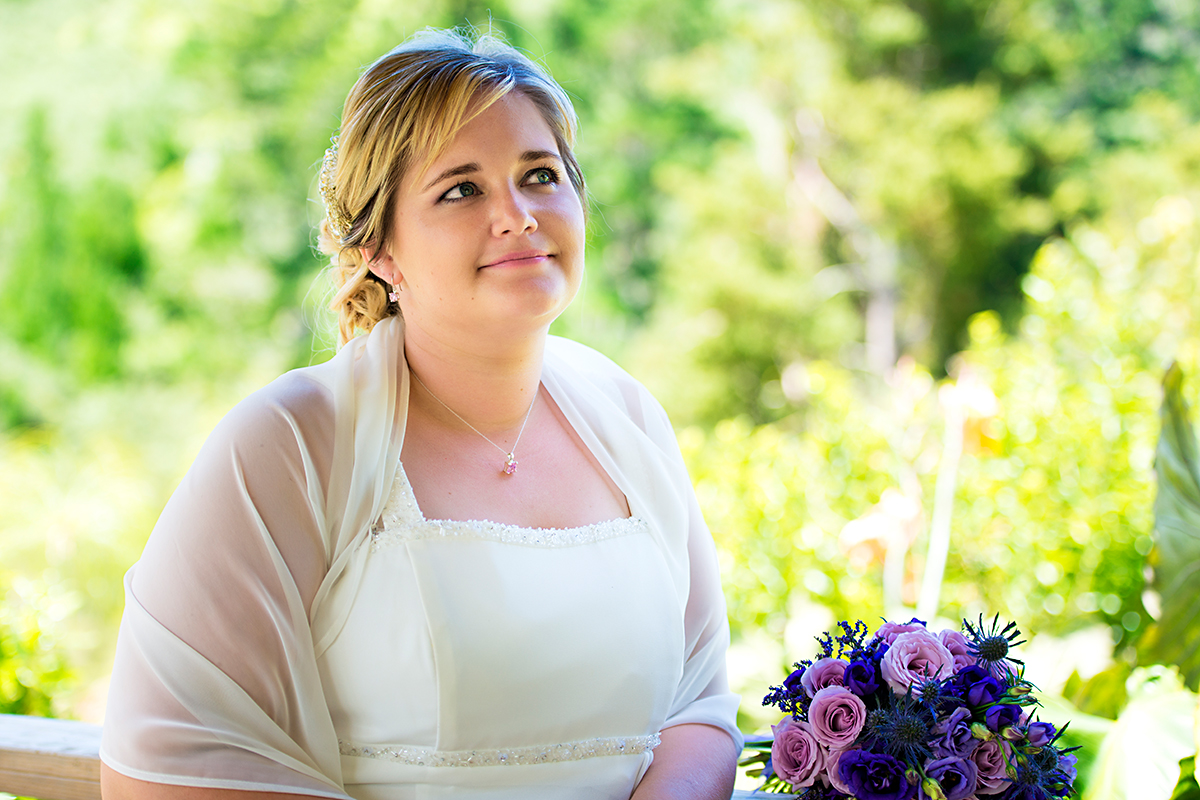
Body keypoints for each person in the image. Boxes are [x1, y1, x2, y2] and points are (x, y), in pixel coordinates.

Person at [99, 28, 742, 800]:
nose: (518, 215)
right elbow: (165, 763)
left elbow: (701, 706)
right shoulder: (292, 443)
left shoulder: (629, 416)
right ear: (380, 249)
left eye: (540, 175)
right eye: (462, 190)